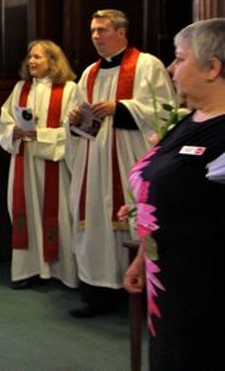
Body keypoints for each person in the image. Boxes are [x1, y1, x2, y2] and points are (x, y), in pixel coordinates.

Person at [122, 18, 225, 370]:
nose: (170, 67)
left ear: (212, 68)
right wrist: (142, 257)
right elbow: (166, 191)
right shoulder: (188, 120)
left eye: (180, 59)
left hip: (206, 290)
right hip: (167, 281)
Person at [66, 9, 176, 318]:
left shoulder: (147, 65)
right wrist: (73, 118)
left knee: (129, 223)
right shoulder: (88, 73)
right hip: (93, 163)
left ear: (122, 33)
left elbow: (165, 112)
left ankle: (136, 299)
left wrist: (120, 108)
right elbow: (76, 124)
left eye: (102, 30)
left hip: (129, 159)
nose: (96, 37)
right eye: (92, 31)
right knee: (94, 228)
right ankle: (97, 296)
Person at [0, 40, 78, 290]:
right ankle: (28, 269)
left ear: (53, 62)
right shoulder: (21, 87)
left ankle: (61, 272)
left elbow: (73, 129)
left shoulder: (69, 90)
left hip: (52, 162)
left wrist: (40, 135)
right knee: (25, 212)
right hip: (24, 160)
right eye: (30, 57)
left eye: (38, 57)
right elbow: (5, 119)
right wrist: (14, 132)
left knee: (58, 214)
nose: (31, 61)